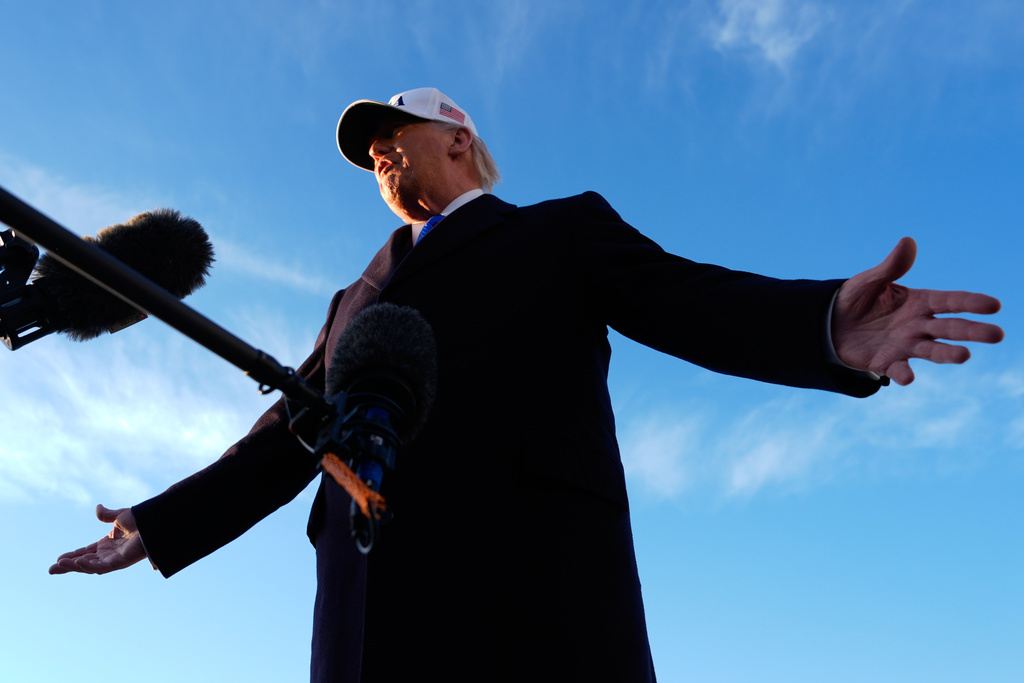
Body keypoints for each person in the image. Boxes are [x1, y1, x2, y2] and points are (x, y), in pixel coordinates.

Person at [50, 88, 1004, 682]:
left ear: (457, 138)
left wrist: (825, 324)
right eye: (370, 150)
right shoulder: (353, 297)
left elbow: (685, 298)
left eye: (395, 133)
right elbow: (287, 432)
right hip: (366, 612)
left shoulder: (559, 231)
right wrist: (161, 521)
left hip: (532, 601)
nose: (381, 154)